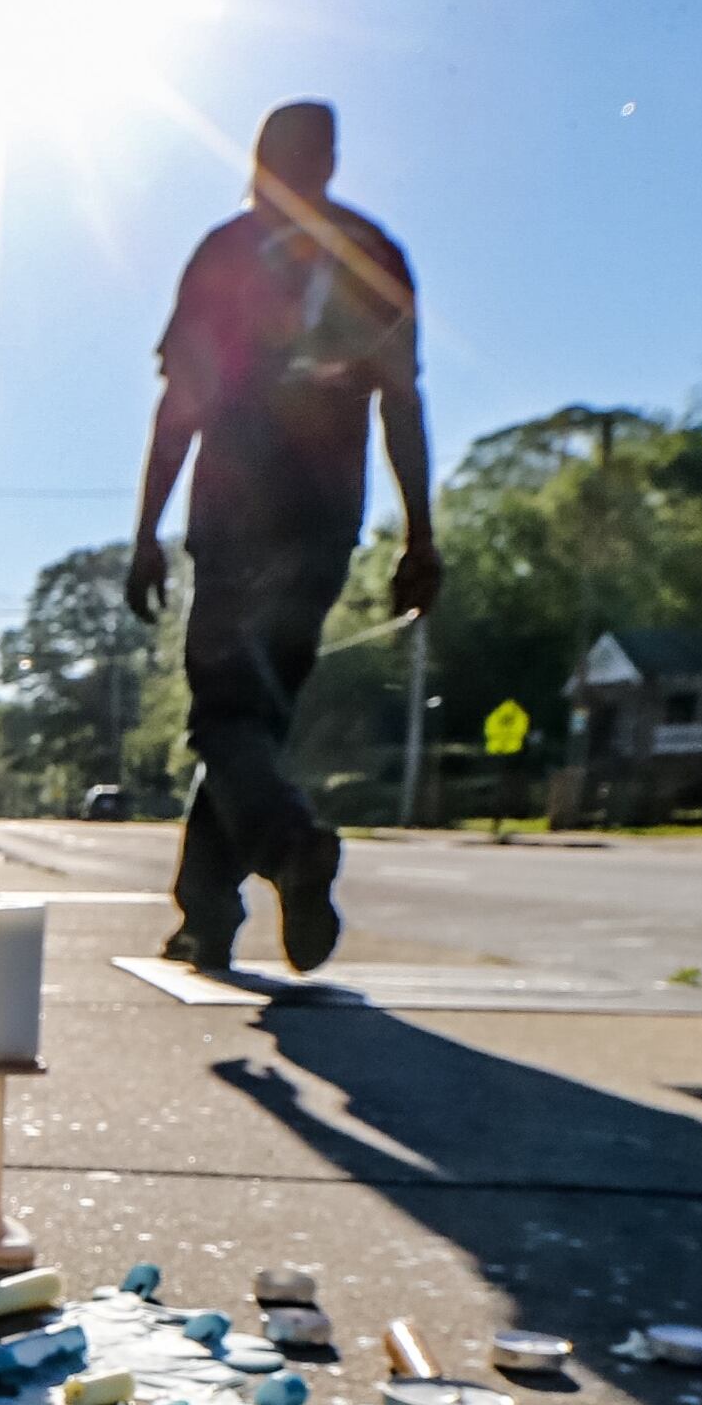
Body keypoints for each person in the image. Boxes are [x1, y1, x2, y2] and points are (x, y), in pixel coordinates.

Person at [125, 99, 433, 974]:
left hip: (234, 513)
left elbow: (181, 402)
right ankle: (206, 915)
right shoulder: (376, 254)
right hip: (327, 519)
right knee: (249, 722)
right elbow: (402, 402)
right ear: (330, 162)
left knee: (227, 717)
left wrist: (146, 529)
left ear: (258, 160)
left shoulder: (227, 253)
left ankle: (294, 850)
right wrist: (420, 537)